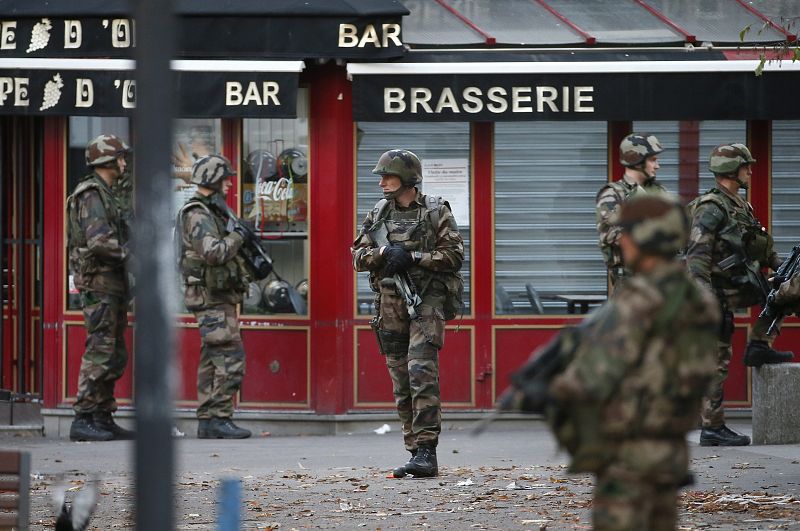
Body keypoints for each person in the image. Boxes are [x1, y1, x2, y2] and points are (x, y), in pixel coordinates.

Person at [545, 195, 720, 530]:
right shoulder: (697, 297)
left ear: (645, 237)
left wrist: (551, 390)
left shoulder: (638, 301)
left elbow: (589, 380)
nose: (621, 241)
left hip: (629, 455)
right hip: (670, 451)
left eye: (626, 233)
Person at [351, 149, 464, 478]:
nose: (382, 183)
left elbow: (454, 256)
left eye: (388, 176)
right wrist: (384, 252)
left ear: (408, 179)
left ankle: (427, 450)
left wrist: (414, 258)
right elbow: (357, 256)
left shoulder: (435, 211)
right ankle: (414, 451)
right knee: (400, 377)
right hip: (390, 302)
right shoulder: (378, 212)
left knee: (421, 372)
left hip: (425, 301)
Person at [686, 143, 793, 447]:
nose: (750, 172)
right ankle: (712, 428)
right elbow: (697, 256)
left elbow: (757, 246)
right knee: (717, 358)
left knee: (786, 293)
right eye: (746, 166)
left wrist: (780, 267)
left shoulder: (740, 205)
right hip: (716, 293)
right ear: (731, 170)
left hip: (739, 285)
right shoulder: (711, 207)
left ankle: (759, 344)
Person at [177, 154, 253, 439]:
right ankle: (219, 418)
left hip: (214, 295)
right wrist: (239, 236)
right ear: (213, 180)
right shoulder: (198, 213)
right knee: (230, 355)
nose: (229, 185)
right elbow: (214, 253)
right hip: (210, 297)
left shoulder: (211, 210)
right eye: (225, 180)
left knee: (212, 357)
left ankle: (208, 421)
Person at [66, 134, 135, 441]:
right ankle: (83, 418)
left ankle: (102, 416)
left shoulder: (107, 193)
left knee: (114, 352)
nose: (124, 163)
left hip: (112, 284)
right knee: (100, 350)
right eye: (119, 158)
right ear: (106, 160)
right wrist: (133, 256)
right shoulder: (92, 194)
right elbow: (99, 243)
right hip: (100, 284)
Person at [596, 133, 669, 287]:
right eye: (652, 160)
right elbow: (611, 235)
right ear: (637, 161)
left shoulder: (659, 192)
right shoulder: (613, 194)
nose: (657, 166)